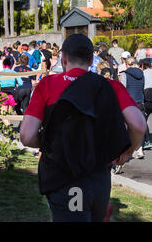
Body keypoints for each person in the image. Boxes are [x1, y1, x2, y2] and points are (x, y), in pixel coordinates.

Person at [20, 34, 146, 222]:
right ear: (90, 60)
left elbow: (27, 136)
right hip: (100, 178)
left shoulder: (47, 85)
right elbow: (138, 125)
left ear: (63, 59)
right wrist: (127, 153)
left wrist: (50, 141)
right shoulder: (111, 86)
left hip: (67, 179)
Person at [120, 57, 146, 159]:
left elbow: (123, 88)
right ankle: (140, 150)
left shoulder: (125, 74)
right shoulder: (141, 73)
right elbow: (143, 86)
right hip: (140, 101)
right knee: (140, 126)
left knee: (128, 127)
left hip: (129, 103)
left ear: (127, 64)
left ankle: (128, 150)